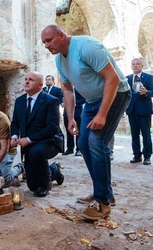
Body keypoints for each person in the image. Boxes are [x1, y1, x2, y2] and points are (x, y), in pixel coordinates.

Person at [41, 24, 131, 220]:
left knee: (97, 142)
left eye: (49, 40)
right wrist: (71, 117)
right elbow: (67, 90)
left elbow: (113, 79)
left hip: (116, 94)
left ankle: (102, 203)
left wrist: (102, 114)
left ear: (62, 35)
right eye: (44, 43)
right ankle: (105, 192)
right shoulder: (59, 60)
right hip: (91, 101)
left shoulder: (86, 47)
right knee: (83, 143)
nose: (46, 46)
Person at [10, 71, 65, 198]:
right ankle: (54, 170)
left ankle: (45, 186)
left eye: (31, 80)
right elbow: (15, 123)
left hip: (49, 141)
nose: (27, 82)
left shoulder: (51, 101)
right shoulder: (20, 101)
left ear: (40, 85)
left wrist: (29, 139)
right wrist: (14, 136)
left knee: (36, 152)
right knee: (32, 186)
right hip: (29, 145)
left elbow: (52, 128)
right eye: (25, 79)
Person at [125, 58, 153, 165]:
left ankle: (147, 156)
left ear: (142, 66)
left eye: (138, 64)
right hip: (132, 110)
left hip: (144, 110)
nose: (135, 66)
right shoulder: (127, 78)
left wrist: (147, 92)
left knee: (146, 134)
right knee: (134, 134)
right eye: (133, 64)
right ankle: (137, 155)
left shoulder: (149, 77)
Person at [63, 88, 86, 156]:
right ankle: (70, 149)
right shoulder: (65, 89)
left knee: (78, 131)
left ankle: (79, 149)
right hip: (66, 113)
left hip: (78, 113)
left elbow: (83, 100)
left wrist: (73, 103)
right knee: (68, 131)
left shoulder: (80, 89)